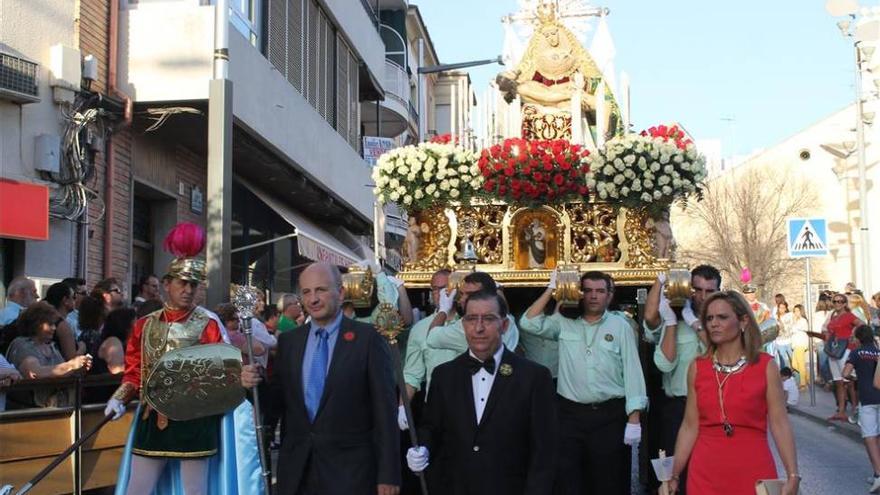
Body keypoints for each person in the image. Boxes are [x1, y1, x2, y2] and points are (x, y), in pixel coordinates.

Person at [103, 223, 263, 495]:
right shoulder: (144, 325)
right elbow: (134, 373)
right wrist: (119, 397)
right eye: (182, 283)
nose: (188, 290)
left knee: (194, 491)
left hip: (195, 420)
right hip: (152, 419)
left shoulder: (208, 323)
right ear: (167, 284)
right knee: (137, 489)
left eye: (194, 284)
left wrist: (243, 376)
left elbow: (225, 370)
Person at [406, 290, 557, 494]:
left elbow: (545, 451)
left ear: (504, 326)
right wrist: (423, 449)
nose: (478, 328)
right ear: (463, 325)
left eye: (488, 319)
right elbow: (431, 428)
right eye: (471, 319)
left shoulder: (534, 377)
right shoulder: (444, 375)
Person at [269, 262, 400, 495]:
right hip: (298, 472)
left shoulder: (367, 340)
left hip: (351, 474)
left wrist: (388, 474)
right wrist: (255, 383)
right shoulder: (289, 342)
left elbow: (385, 410)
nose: (313, 299)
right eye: (306, 292)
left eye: (320, 290)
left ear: (340, 293)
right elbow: (276, 402)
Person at [520, 270, 647, 494]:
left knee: (609, 481)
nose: (594, 296)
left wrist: (634, 418)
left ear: (609, 295)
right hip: (570, 415)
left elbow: (632, 370)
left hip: (609, 415)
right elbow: (528, 323)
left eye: (600, 291)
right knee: (569, 481)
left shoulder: (621, 326)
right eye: (587, 291)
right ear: (579, 293)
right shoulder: (564, 323)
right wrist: (552, 289)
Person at [669, 291, 799, 495]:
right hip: (704, 473)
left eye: (722, 317)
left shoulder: (765, 366)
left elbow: (779, 423)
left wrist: (793, 474)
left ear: (743, 321)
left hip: (753, 471)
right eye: (709, 318)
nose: (713, 323)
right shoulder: (698, 367)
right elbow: (689, 425)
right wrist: (674, 475)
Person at [643, 265, 720, 492]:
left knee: (711, 473)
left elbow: (720, 353)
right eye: (697, 289)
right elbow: (649, 317)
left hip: (714, 407)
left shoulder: (722, 320)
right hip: (678, 408)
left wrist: (695, 324)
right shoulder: (674, 318)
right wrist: (660, 278)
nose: (703, 296)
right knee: (675, 476)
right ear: (688, 289)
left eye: (710, 291)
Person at [424, 272, 520, 377]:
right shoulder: (507, 318)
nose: (463, 299)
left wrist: (443, 310)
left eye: (470, 295)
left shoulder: (466, 326)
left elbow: (431, 337)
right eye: (462, 294)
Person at [5, 302, 93, 408]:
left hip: (60, 408)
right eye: (50, 324)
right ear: (36, 324)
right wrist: (71, 365)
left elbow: (64, 372)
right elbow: (35, 373)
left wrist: (80, 368)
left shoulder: (52, 347)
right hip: (31, 412)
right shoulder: (22, 345)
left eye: (54, 324)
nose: (54, 328)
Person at [842, 324, 880, 492]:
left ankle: (878, 474)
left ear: (858, 338)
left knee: (869, 437)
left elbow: (844, 373)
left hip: (867, 399)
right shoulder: (878, 352)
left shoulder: (856, 353)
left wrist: (855, 377)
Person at [824, 292, 862, 422]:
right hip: (833, 351)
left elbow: (861, 324)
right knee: (838, 381)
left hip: (845, 349)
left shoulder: (849, 315)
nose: (837, 303)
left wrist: (853, 334)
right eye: (835, 301)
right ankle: (841, 411)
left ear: (845, 303)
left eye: (840, 301)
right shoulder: (833, 316)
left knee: (848, 381)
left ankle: (855, 409)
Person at [44, 282, 86, 359]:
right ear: (65, 300)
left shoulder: (44, 319)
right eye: (73, 297)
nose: (75, 300)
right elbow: (72, 360)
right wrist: (82, 347)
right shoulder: (62, 325)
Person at [790, 304, 810, 389]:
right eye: (794, 311)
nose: (795, 313)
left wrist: (794, 322)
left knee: (801, 364)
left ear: (801, 311)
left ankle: (803, 384)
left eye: (797, 311)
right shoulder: (795, 320)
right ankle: (808, 377)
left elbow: (794, 329)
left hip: (800, 344)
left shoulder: (803, 321)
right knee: (794, 364)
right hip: (795, 344)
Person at [774, 301, 794, 369]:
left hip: (789, 341)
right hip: (780, 342)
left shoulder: (790, 315)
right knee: (783, 362)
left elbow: (790, 327)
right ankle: (785, 378)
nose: (781, 309)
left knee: (793, 361)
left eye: (783, 308)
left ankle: (797, 378)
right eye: (780, 308)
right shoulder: (775, 317)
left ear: (786, 308)